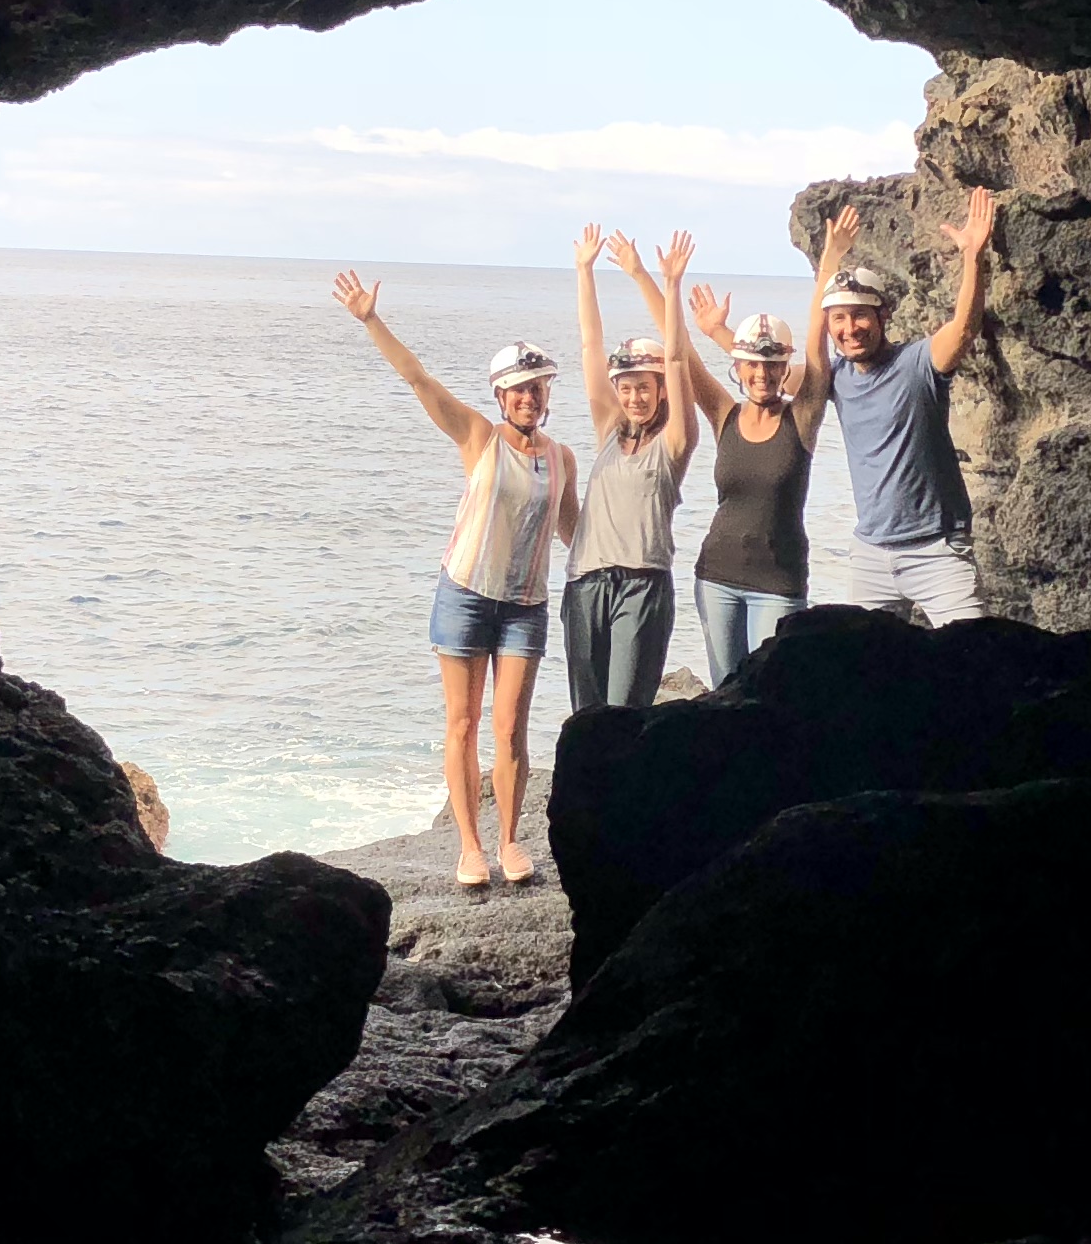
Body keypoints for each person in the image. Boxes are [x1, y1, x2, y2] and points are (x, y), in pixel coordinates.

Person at [334, 271, 575, 888]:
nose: (529, 397)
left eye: (538, 387)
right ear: (500, 395)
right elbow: (418, 379)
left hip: (525, 604)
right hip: (465, 593)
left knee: (511, 728)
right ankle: (470, 847)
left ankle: (510, 841)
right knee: (463, 724)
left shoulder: (561, 457)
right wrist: (370, 320)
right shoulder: (478, 437)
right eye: (519, 388)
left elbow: (575, 530)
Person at [810, 188, 997, 624]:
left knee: (972, 660)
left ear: (883, 316)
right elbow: (787, 360)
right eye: (839, 318)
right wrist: (829, 259)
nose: (850, 328)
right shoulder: (836, 377)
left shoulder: (917, 364)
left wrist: (973, 257)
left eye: (861, 316)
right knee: (868, 676)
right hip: (870, 554)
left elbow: (964, 330)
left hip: (937, 550)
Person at [558, 226, 700, 714]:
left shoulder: (674, 442)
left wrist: (672, 285)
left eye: (645, 387)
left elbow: (679, 358)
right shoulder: (607, 431)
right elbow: (589, 346)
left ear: (660, 390)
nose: (634, 398)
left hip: (642, 584)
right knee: (587, 717)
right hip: (585, 584)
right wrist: (584, 270)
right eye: (627, 388)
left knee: (623, 715)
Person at [677, 279, 825, 680]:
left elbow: (817, 349)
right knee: (723, 696)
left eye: (774, 365)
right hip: (716, 578)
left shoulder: (802, 417)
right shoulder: (724, 414)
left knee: (770, 695)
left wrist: (828, 263)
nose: (763, 374)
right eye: (753, 365)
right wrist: (659, 282)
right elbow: (681, 355)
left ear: (785, 368)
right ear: (738, 367)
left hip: (779, 583)